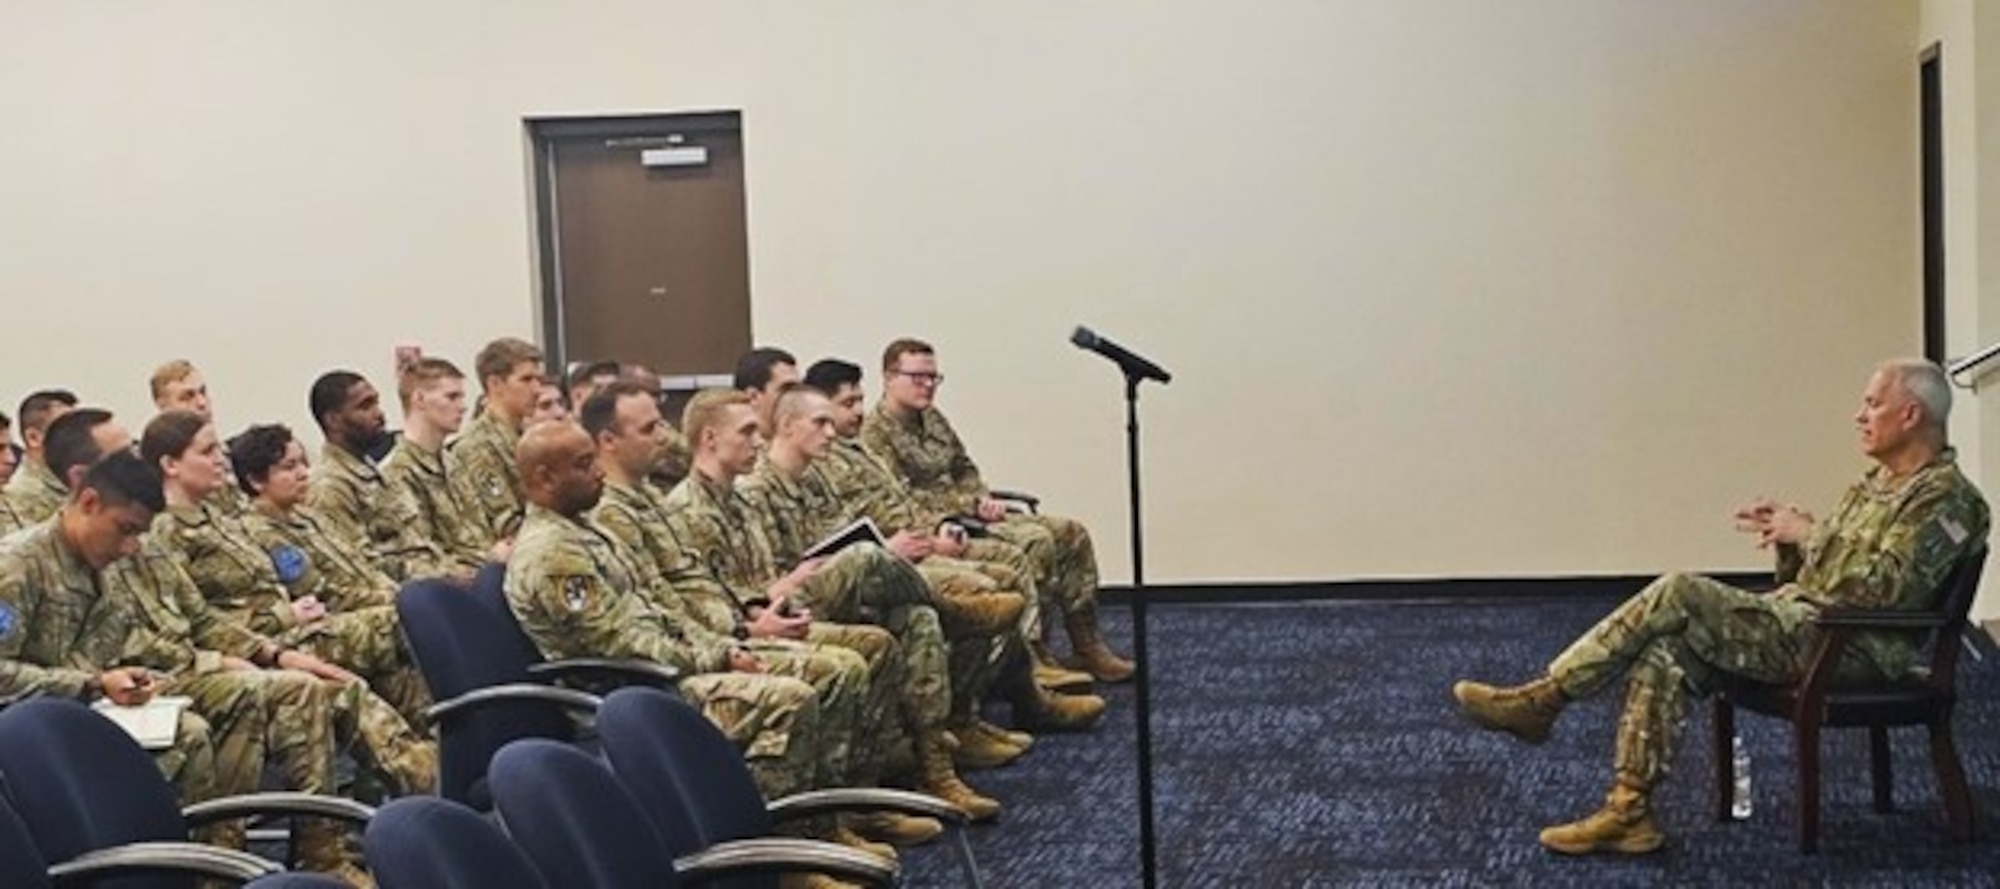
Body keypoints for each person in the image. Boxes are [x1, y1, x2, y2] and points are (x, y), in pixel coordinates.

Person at [1452, 358, 1989, 855]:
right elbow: (1820, 579)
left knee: (1680, 590)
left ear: (1910, 412)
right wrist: (1789, 539)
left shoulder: (1948, 499)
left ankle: (1544, 699)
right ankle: (1628, 812)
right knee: (1668, 649)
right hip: (1810, 627)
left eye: (1872, 403)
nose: (1859, 414)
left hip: (1858, 651)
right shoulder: (1872, 485)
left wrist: (1813, 534)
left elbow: (1892, 589)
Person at [501, 421, 882, 884]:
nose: (600, 472)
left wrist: (727, 643)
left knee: (834, 670)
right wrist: (717, 658)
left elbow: (659, 611)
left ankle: (824, 831)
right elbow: (619, 643)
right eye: (583, 465)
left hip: (665, 668)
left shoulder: (582, 530)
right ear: (543, 478)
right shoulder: (552, 553)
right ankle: (777, 862)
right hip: (627, 691)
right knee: (790, 698)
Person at [580, 383, 937, 847]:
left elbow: (701, 587)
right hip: (676, 665)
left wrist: (749, 614)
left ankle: (851, 807)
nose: (663, 437)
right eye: (649, 428)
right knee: (833, 669)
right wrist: (741, 632)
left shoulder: (649, 502)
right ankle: (796, 841)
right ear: (608, 441)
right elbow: (652, 613)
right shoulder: (624, 515)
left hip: (730, 627)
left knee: (879, 644)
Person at [860, 337, 1134, 682]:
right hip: (938, 524)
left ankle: (1087, 644)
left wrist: (980, 498)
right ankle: (1032, 654)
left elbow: (964, 467)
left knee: (1070, 532)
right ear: (888, 377)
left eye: (934, 377)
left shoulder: (931, 418)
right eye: (918, 377)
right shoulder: (874, 433)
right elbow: (900, 498)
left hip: (968, 512)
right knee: (1034, 540)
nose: (928, 386)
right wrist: (966, 504)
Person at [143, 411, 431, 729]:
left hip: (291, 631)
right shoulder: (165, 532)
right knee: (400, 620)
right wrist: (284, 617)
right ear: (170, 465)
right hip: (262, 643)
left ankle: (443, 754)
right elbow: (194, 618)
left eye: (219, 452)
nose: (220, 461)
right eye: (206, 452)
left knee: (400, 670)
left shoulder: (219, 518)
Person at [304, 371, 454, 582]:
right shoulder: (330, 487)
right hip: (404, 594)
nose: (379, 414)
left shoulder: (373, 470)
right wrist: (440, 575)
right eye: (365, 407)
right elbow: (358, 567)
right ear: (333, 420)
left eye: (376, 403)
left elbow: (416, 539)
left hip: (435, 573)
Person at [382, 357, 504, 573]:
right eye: (452, 397)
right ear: (419, 399)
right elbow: (417, 562)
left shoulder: (452, 461)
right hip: (455, 588)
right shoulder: (398, 473)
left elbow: (480, 532)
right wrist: (489, 561)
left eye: (462, 397)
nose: (463, 407)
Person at [450, 337, 544, 540]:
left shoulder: (526, 438)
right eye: (526, 380)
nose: (537, 390)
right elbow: (505, 523)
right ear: (495, 384)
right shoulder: (477, 446)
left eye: (539, 380)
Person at [2, 389, 80, 524]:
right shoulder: (19, 497)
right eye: (66, 430)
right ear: (34, 438)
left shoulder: (76, 484)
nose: (79, 438)